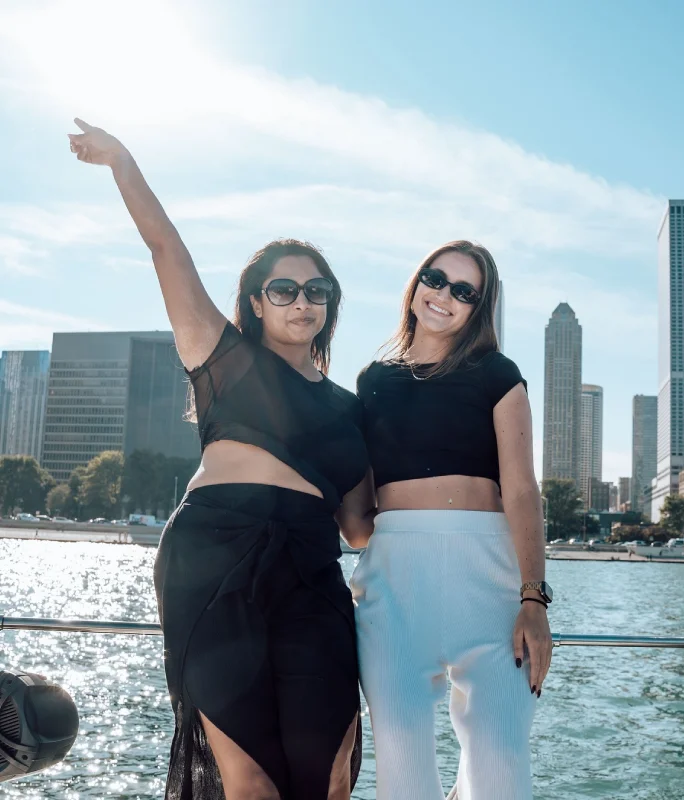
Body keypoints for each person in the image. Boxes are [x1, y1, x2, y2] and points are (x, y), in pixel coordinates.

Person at [68, 119, 375, 800]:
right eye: (284, 289)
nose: (302, 301)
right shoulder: (223, 358)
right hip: (213, 557)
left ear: (330, 305)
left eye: (316, 291)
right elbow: (164, 248)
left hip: (311, 569)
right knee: (251, 782)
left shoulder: (352, 408)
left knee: (329, 775)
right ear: (256, 302)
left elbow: (360, 527)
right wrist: (122, 162)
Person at [351, 240, 553, 800]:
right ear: (417, 283)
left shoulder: (497, 374)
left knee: (501, 771)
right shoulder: (371, 381)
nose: (444, 295)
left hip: (490, 583)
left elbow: (522, 490)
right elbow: (358, 522)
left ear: (478, 308)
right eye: (436, 279)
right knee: (402, 777)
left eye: (464, 291)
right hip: (393, 587)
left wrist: (534, 599)